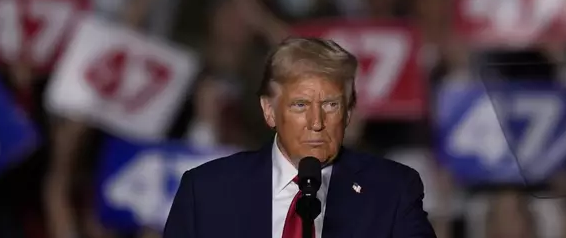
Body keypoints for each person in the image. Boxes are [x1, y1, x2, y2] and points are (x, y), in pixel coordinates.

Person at [163, 37, 437, 238]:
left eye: (331, 105)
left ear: (349, 113)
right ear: (270, 112)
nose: (316, 123)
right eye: (300, 105)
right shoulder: (206, 192)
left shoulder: (392, 192)